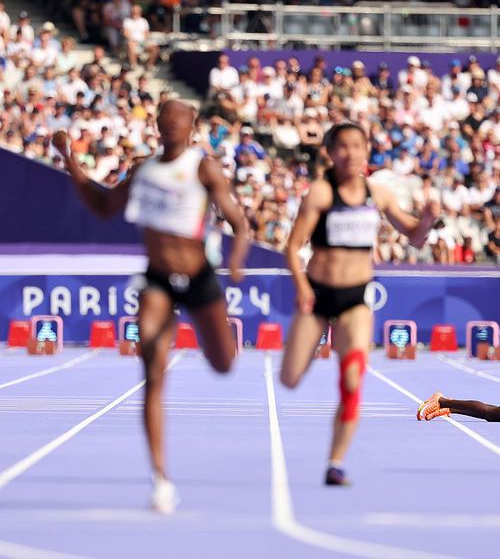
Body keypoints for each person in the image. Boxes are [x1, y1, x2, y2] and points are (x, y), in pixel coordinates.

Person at [52, 100, 249, 513]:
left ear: (192, 127)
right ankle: (161, 478)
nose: (173, 126)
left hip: (199, 278)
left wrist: (235, 260)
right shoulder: (143, 170)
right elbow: (105, 207)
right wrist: (70, 161)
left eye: (181, 121)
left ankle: (209, 347)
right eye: (167, 121)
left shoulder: (203, 168)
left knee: (224, 363)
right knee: (153, 374)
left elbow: (240, 221)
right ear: (158, 126)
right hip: (157, 280)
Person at [280, 122, 437, 486]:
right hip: (318, 294)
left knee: (352, 379)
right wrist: (302, 286)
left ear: (367, 151)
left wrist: (427, 219)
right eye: (344, 147)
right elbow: (292, 247)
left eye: (358, 146)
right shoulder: (320, 193)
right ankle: (301, 359)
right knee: (289, 378)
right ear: (331, 154)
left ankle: (335, 463)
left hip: (356, 297)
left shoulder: (377, 193)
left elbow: (414, 237)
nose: (352, 153)